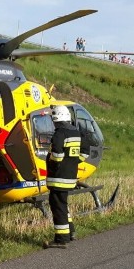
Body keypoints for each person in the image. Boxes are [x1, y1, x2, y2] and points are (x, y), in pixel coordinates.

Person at [44, 105, 83, 248]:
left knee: (57, 207)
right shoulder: (75, 132)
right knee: (63, 204)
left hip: (58, 178)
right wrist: (74, 162)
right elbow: (84, 150)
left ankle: (61, 239)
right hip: (70, 176)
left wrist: (51, 162)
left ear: (56, 118)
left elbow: (58, 156)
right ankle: (71, 231)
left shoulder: (60, 133)